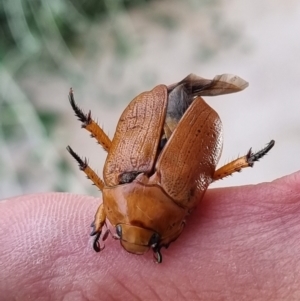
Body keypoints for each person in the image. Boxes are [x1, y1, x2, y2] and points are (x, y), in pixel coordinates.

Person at [0, 171, 299, 300]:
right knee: (196, 182)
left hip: (163, 175)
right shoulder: (161, 212)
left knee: (194, 184)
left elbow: (109, 193)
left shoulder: (125, 202)